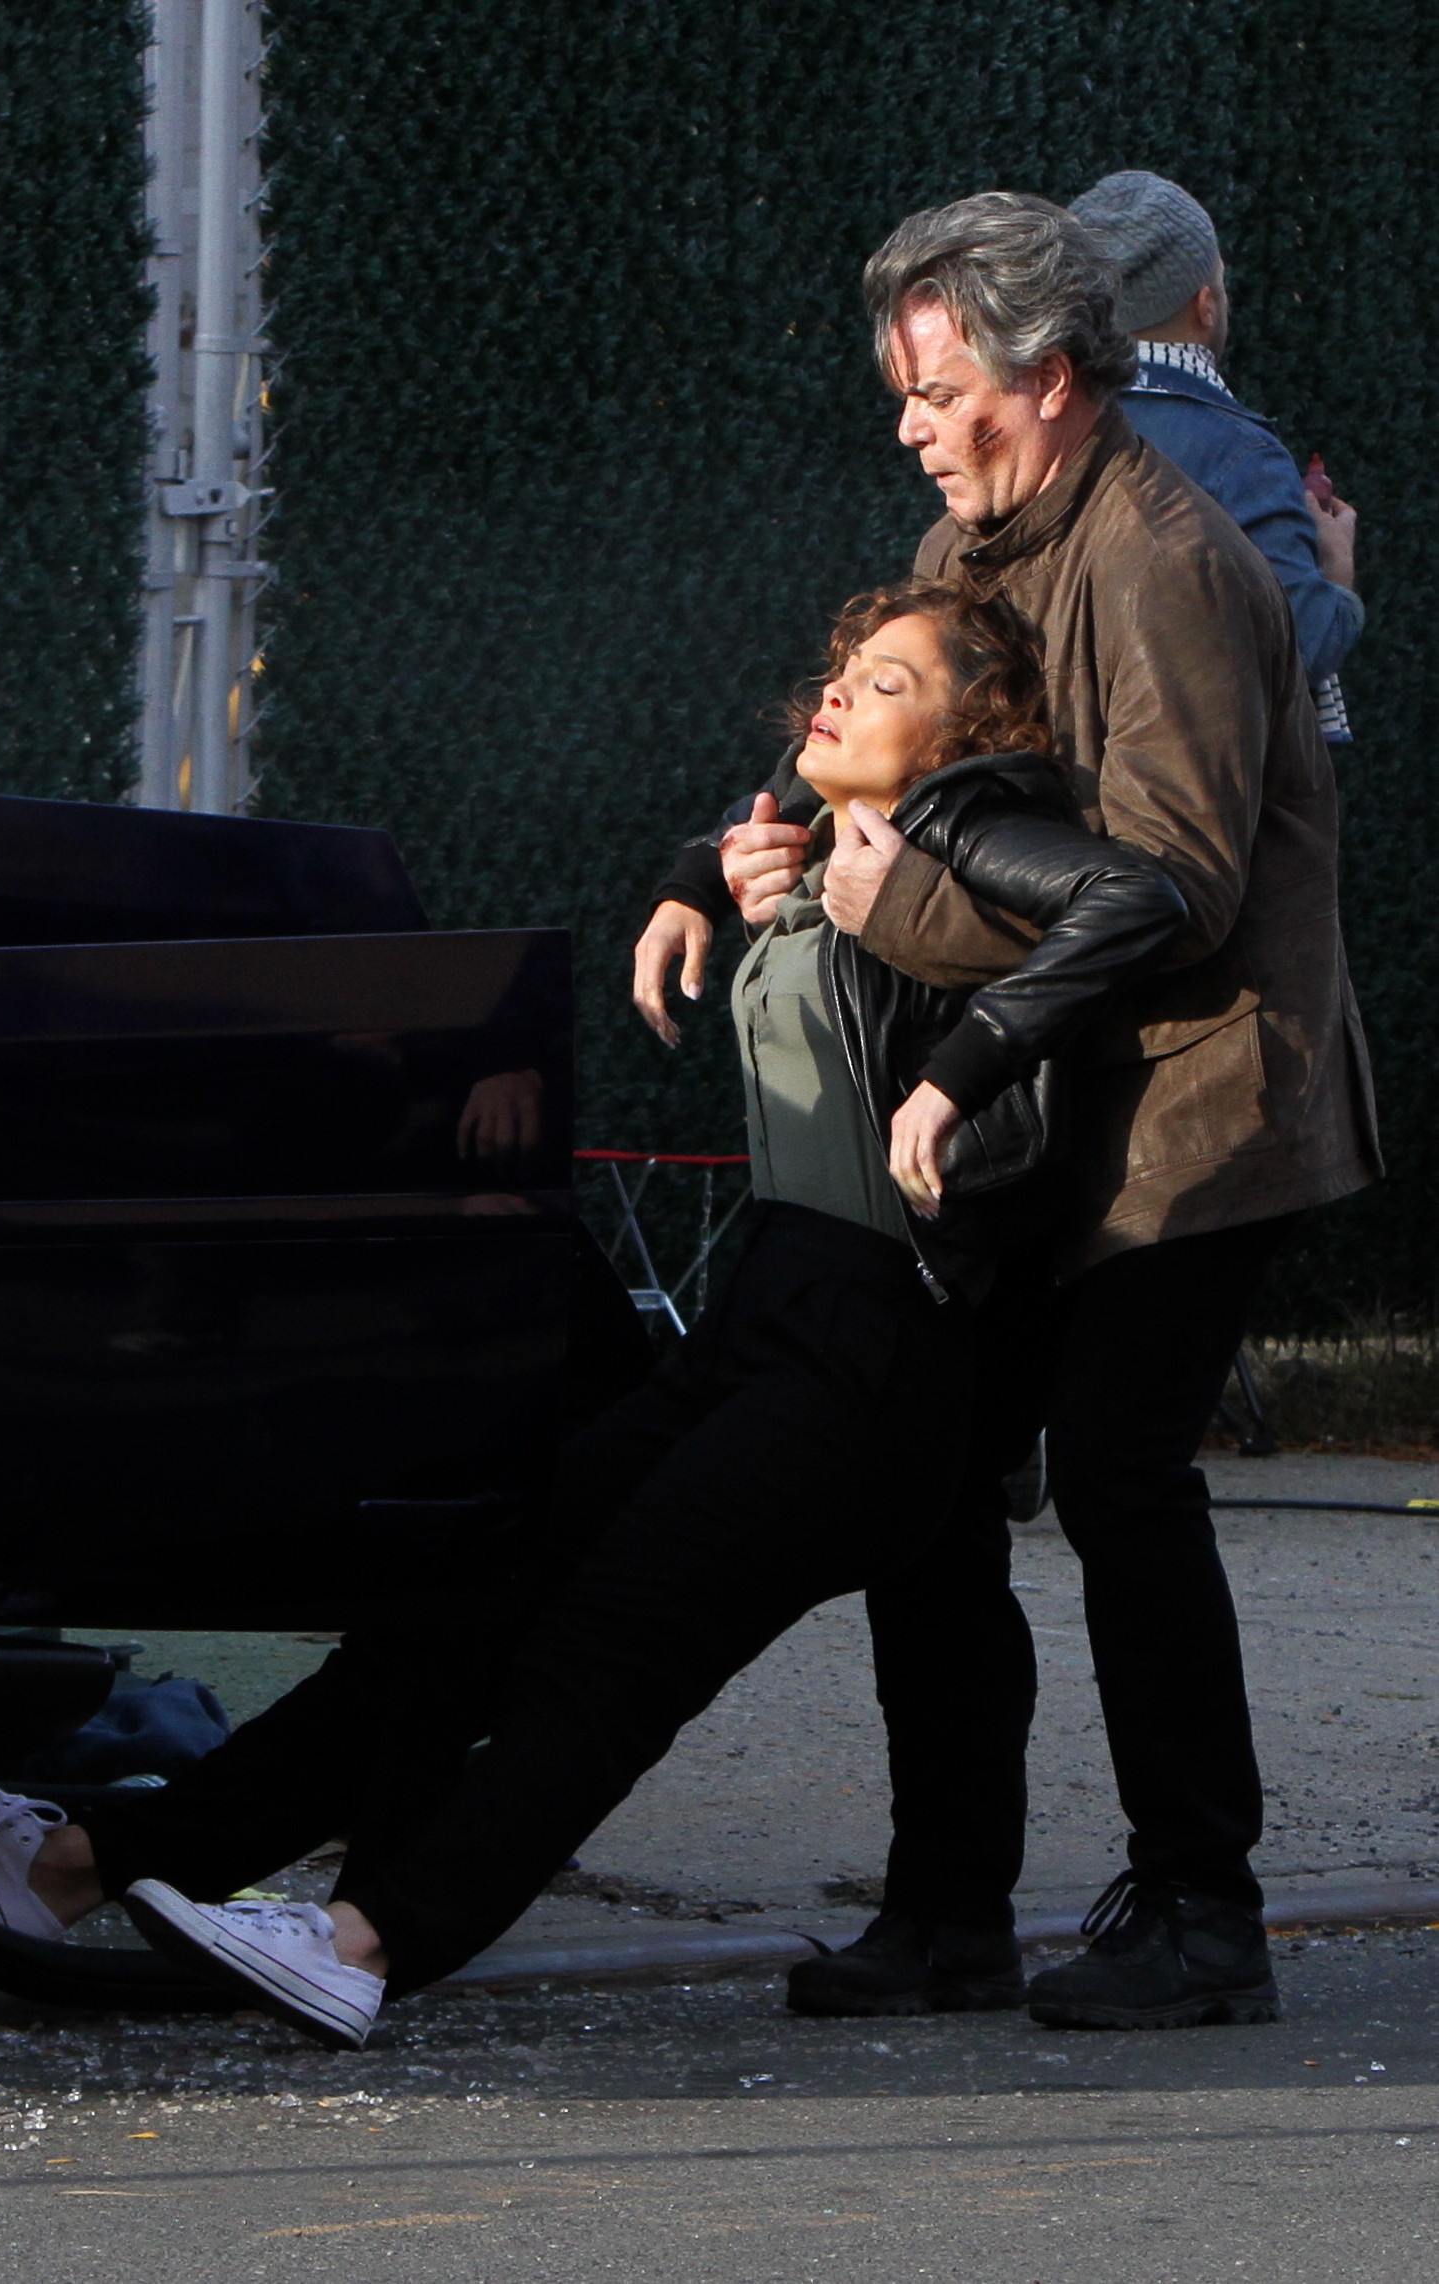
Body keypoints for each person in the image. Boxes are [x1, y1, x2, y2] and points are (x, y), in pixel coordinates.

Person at [0, 579, 1186, 2051]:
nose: (837, 690)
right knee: (464, 1603)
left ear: (965, 737)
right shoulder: (842, 844)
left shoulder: (963, 826)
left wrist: (963, 1069)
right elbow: (773, 811)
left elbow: (1136, 900)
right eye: (842, 666)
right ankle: (75, 1868)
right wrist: (700, 875)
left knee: (614, 1647)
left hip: (878, 1341)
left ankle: (369, 1941)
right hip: (770, 1307)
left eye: (887, 683)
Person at [638, 193, 1378, 2032]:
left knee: (1121, 1475)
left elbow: (1176, 890)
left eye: (937, 388)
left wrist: (911, 948)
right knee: (940, 1479)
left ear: (1048, 375)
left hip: (1204, 1102)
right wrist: (720, 861)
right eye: (902, 390)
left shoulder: (1164, 560)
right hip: (1055, 1094)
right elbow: (894, 727)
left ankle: (1203, 1912)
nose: (909, 423)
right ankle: (948, 1911)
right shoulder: (975, 534)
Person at [1068, 169, 1361, 744]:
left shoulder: (1041, 418)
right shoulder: (1239, 453)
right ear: (1205, 305)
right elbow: (1298, 647)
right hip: (1196, 782)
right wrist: (1337, 569)